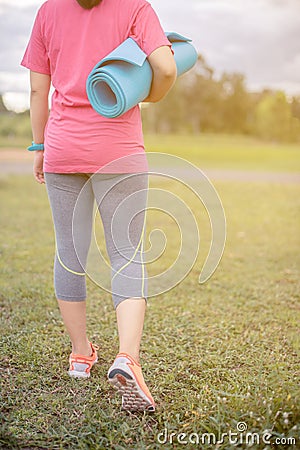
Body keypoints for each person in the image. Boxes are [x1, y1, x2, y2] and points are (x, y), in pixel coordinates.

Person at [21, 0, 177, 412]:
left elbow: (39, 88)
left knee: (69, 253)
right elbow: (165, 68)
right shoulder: (135, 7)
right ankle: (127, 356)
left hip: (63, 148)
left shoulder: (48, 11)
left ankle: (79, 355)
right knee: (126, 254)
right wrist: (152, 96)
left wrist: (39, 146)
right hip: (119, 150)